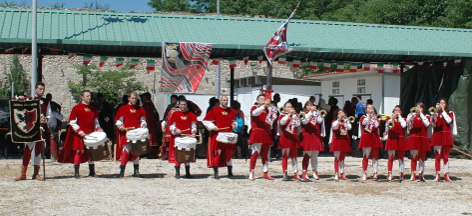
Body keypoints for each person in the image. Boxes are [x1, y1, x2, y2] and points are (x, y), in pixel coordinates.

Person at [58, 90, 102, 178]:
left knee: (91, 152)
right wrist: (79, 131)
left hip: (91, 132)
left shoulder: (93, 109)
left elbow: (96, 121)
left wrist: (98, 129)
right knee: (79, 151)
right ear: (82, 97)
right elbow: (72, 122)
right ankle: (76, 172)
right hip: (80, 133)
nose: (89, 97)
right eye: (87, 96)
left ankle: (92, 172)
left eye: (90, 96)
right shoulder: (77, 108)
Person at [15, 82, 48, 181]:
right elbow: (20, 106)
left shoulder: (46, 102)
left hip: (40, 129)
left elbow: (49, 114)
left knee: (38, 150)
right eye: (40, 89)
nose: (41, 91)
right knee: (28, 149)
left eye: (43, 89)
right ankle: (23, 173)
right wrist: (20, 98)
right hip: (30, 128)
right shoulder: (29, 100)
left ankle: (36, 173)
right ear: (35, 89)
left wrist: (45, 119)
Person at [203, 96, 237, 179]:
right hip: (219, 135)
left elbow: (234, 121)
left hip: (228, 134)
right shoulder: (214, 111)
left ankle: (230, 171)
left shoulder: (231, 111)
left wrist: (234, 125)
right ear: (220, 101)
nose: (225, 102)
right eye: (224, 100)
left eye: (226, 100)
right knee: (218, 153)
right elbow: (206, 121)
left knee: (228, 153)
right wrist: (213, 127)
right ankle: (216, 172)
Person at [115, 92, 147, 178]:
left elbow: (143, 120)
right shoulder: (123, 108)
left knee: (136, 152)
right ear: (128, 99)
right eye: (132, 98)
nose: (134, 100)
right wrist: (121, 127)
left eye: (135, 98)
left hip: (137, 133)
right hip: (127, 133)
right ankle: (122, 171)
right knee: (126, 151)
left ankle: (136, 171)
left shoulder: (140, 109)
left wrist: (143, 125)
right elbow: (119, 121)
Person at [248, 94, 277, 180]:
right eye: (261, 99)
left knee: (266, 154)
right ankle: (251, 171)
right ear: (257, 101)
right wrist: (264, 106)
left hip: (266, 132)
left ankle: (265, 172)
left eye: (264, 99)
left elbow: (273, 119)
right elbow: (255, 113)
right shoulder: (254, 107)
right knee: (255, 152)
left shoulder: (269, 110)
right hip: (258, 131)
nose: (263, 100)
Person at [168, 98, 197, 179]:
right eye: (182, 105)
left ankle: (187, 172)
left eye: (184, 105)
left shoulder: (191, 114)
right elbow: (171, 125)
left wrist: (193, 132)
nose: (183, 106)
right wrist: (176, 129)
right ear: (179, 105)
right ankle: (177, 172)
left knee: (187, 154)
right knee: (178, 154)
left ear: (186, 105)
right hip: (178, 137)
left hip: (187, 137)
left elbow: (193, 126)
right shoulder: (175, 114)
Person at [430, 98, 457, 182]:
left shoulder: (450, 113)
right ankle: (438, 175)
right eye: (440, 103)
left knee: (446, 157)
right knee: (437, 156)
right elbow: (433, 124)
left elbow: (449, 120)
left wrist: (443, 111)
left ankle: (446, 174)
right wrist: (434, 114)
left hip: (446, 135)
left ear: (446, 105)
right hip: (437, 135)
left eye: (443, 103)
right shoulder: (435, 114)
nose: (441, 104)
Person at [300, 101, 325, 180]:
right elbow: (305, 121)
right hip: (307, 136)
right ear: (305, 107)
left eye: (311, 105)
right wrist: (311, 112)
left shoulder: (315, 113)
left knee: (315, 155)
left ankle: (315, 171)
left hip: (315, 135)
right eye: (308, 105)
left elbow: (319, 121)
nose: (310, 106)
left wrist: (319, 114)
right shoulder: (303, 113)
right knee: (307, 154)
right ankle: (304, 171)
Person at [406, 102, 431, 182]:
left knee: (422, 157)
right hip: (414, 138)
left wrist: (421, 114)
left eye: (420, 107)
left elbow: (427, 124)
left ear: (423, 109)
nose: (418, 108)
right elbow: (407, 123)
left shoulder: (426, 116)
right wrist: (412, 115)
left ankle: (421, 174)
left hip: (423, 138)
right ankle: (413, 174)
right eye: (417, 107)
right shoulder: (411, 115)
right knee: (413, 157)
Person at [358, 104, 383, 181]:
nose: (370, 109)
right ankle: (365, 172)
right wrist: (369, 116)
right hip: (366, 137)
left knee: (375, 156)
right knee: (366, 155)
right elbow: (364, 123)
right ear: (366, 110)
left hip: (374, 137)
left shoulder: (377, 117)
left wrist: (374, 118)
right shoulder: (363, 117)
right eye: (368, 108)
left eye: (371, 108)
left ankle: (375, 173)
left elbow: (376, 126)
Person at [278, 101, 301, 181]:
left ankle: (295, 173)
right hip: (285, 137)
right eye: (287, 107)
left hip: (293, 136)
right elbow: (282, 122)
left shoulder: (295, 116)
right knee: (285, 156)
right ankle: (284, 173)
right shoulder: (282, 116)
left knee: (294, 156)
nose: (290, 108)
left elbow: (298, 125)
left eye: (291, 107)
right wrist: (289, 115)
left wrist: (295, 116)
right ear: (284, 108)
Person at [384, 106, 408, 181]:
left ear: (401, 112)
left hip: (400, 139)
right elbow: (387, 128)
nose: (397, 112)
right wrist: (392, 119)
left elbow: (404, 125)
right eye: (395, 110)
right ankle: (389, 173)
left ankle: (401, 173)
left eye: (398, 110)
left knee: (401, 158)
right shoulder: (389, 120)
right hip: (392, 138)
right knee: (390, 157)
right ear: (393, 112)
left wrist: (399, 117)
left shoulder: (403, 119)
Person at [329, 109, 352, 180]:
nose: (341, 114)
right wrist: (339, 120)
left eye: (342, 113)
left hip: (344, 140)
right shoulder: (334, 121)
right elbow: (334, 127)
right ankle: (336, 173)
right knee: (337, 158)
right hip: (337, 140)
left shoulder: (346, 121)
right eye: (339, 113)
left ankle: (342, 173)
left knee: (342, 158)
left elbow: (349, 127)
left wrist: (346, 120)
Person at [45, 93, 63, 161]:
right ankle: (47, 154)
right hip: (46, 123)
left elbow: (59, 107)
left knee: (52, 139)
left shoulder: (52, 104)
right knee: (47, 140)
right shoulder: (44, 103)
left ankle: (53, 155)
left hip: (52, 124)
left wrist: (58, 112)